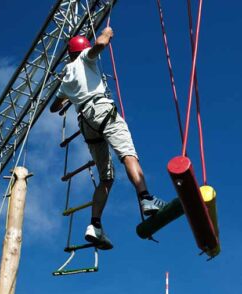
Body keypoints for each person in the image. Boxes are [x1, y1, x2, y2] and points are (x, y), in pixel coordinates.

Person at [50, 27, 166, 250]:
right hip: (101, 110)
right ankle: (146, 198)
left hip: (86, 122)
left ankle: (94, 225)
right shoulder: (85, 58)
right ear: (82, 50)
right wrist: (108, 33)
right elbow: (100, 45)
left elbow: (55, 107)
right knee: (127, 154)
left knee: (106, 178)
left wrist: (69, 98)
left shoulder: (66, 75)